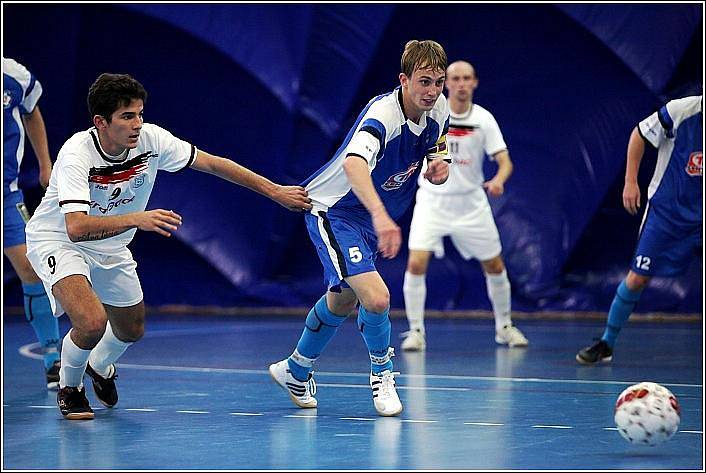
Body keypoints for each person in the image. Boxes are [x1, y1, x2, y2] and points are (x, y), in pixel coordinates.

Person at [24, 73, 312, 420]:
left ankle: (100, 366)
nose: (137, 124)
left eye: (140, 114)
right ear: (101, 122)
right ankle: (71, 389)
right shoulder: (76, 154)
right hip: (59, 240)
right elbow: (76, 227)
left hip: (111, 244)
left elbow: (213, 163)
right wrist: (137, 219)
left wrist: (275, 191)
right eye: (127, 117)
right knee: (90, 321)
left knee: (131, 328)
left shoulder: (151, 139)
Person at [268, 39, 450, 417]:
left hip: (368, 216)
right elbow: (354, 165)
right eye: (424, 82)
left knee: (344, 300)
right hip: (336, 212)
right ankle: (383, 375)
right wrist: (382, 217)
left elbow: (438, 146)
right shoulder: (383, 116)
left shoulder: (440, 108)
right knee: (377, 297)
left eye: (438, 81)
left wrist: (439, 167)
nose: (432, 91)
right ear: (404, 80)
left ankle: (295, 369)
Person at [400, 60, 528, 352]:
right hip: (432, 202)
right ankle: (416, 331)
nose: (460, 83)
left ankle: (504, 327)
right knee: (416, 263)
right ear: (446, 83)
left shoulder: (483, 119)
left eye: (466, 78)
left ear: (474, 83)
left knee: (495, 265)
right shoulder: (428, 115)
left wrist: (498, 180)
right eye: (454, 78)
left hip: (471, 204)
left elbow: (505, 161)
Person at [576, 95, 702, 365]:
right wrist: (630, 181)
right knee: (637, 279)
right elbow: (639, 134)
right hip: (667, 214)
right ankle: (607, 342)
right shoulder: (680, 111)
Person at [3, 57, 62, 389]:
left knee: (33, 267)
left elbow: (32, 112)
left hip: (5, 197)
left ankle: (53, 358)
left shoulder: (13, 74)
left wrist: (45, 164)